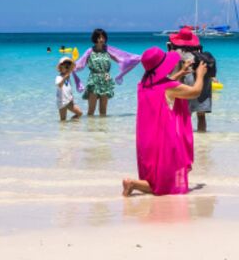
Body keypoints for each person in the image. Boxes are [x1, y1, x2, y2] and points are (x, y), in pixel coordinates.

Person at [122, 46, 207, 196]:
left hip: (146, 139)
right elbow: (195, 92)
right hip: (164, 139)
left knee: (157, 177)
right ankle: (132, 183)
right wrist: (200, 75)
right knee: (167, 185)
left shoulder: (143, 85)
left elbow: (162, 85)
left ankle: (135, 184)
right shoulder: (168, 87)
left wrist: (180, 73)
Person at [74, 28, 140, 117]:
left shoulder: (108, 50)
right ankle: (90, 129)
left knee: (103, 110)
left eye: (103, 37)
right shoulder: (90, 51)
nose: (101, 39)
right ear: (95, 39)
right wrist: (71, 66)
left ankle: (102, 129)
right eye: (99, 37)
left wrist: (137, 58)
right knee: (91, 110)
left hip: (106, 79)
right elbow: (81, 64)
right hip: (94, 79)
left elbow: (121, 59)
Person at [168, 27, 217, 133]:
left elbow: (172, 75)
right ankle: (202, 140)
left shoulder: (176, 54)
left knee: (185, 115)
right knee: (201, 116)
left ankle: (185, 137)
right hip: (204, 85)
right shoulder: (199, 52)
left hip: (188, 86)